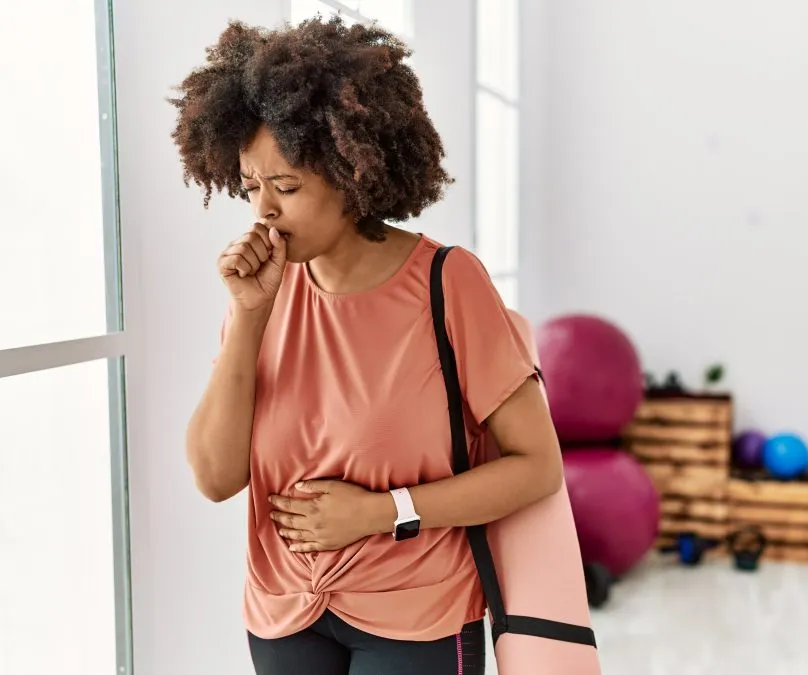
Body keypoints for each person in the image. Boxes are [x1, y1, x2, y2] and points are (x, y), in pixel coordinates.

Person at [171, 16, 564, 675]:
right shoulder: (264, 291)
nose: (263, 210)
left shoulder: (448, 282)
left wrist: (382, 512)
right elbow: (214, 477)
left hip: (419, 615)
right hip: (283, 610)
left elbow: (537, 465)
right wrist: (247, 315)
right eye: (250, 187)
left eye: (287, 186)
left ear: (354, 176)